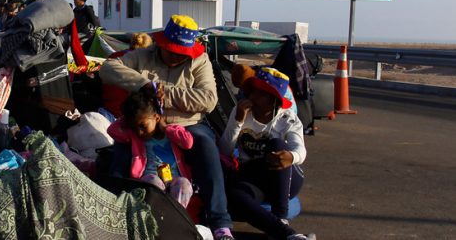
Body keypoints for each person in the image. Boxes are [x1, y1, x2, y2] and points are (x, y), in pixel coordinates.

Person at [100, 14, 235, 240]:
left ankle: (220, 223)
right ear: (161, 44)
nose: (175, 57)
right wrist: (144, 85)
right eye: (171, 51)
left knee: (206, 147)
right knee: (122, 150)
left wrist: (166, 94)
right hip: (145, 123)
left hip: (187, 125)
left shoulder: (200, 61)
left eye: (180, 54)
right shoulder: (144, 55)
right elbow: (108, 68)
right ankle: (115, 211)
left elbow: (209, 99)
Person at [219, 67, 314, 240]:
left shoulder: (287, 119)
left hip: (284, 178)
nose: (252, 97)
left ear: (273, 100)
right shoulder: (240, 112)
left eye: (260, 94)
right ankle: (287, 234)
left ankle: (281, 216)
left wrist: (290, 157)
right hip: (253, 176)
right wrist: (238, 122)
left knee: (277, 144)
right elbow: (225, 149)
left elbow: (300, 150)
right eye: (252, 91)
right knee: (234, 195)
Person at [107, 91, 194, 208]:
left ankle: (176, 215)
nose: (139, 132)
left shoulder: (171, 132)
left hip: (174, 179)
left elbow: (188, 143)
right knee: (154, 184)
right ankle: (156, 215)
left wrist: (167, 129)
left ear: (156, 118)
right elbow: (112, 130)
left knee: (184, 184)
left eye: (143, 126)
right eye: (135, 127)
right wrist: (128, 117)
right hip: (150, 178)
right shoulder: (136, 137)